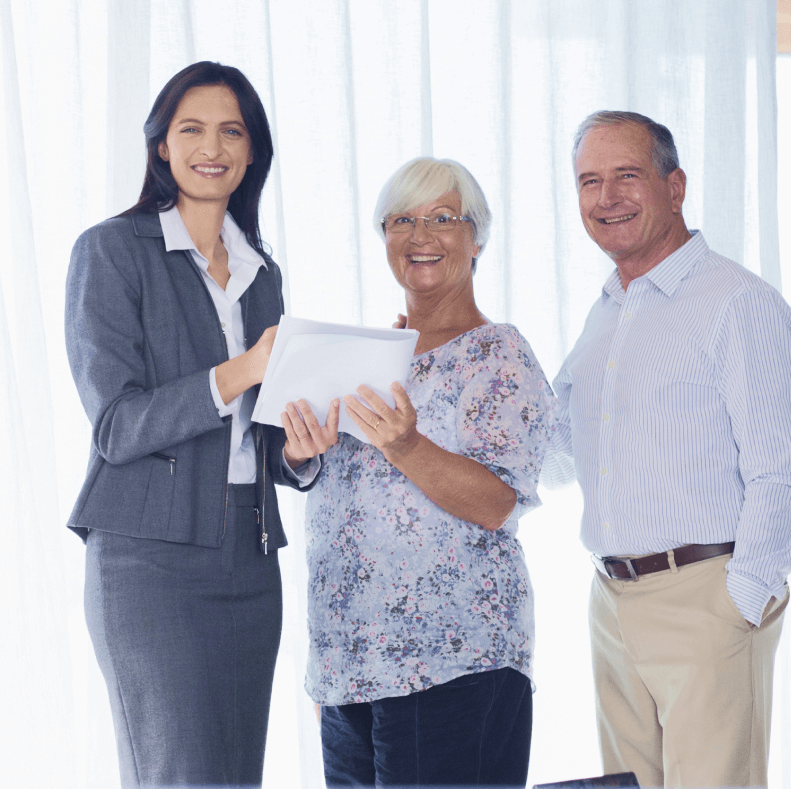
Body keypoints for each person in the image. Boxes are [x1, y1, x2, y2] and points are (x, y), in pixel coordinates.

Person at [64, 61, 337, 788]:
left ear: (252, 153)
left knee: (236, 777)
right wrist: (241, 370)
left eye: (231, 131)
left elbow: (267, 439)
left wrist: (304, 455)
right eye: (192, 128)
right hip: (148, 561)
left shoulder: (262, 274)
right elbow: (117, 427)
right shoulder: (112, 252)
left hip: (249, 558)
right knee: (178, 775)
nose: (211, 145)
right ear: (161, 145)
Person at [549, 110, 791, 788]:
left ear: (675, 185)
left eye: (627, 176)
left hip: (705, 600)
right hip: (611, 602)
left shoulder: (738, 301)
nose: (606, 198)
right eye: (589, 182)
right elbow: (562, 454)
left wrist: (740, 602)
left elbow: (781, 468)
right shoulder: (607, 312)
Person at [297, 157, 554, 788]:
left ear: (477, 238)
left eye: (443, 218)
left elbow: (497, 500)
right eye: (402, 220)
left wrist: (408, 445)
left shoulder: (500, 355)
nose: (422, 236)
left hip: (450, 660)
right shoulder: (363, 358)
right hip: (348, 663)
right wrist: (301, 453)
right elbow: (330, 481)